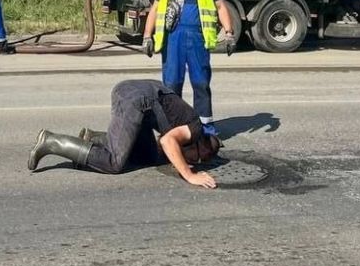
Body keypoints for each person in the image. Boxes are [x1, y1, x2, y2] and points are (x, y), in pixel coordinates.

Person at [27, 79, 221, 188]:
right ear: (200, 147)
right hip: (138, 101)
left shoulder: (187, 122)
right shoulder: (195, 128)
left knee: (148, 157)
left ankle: (92, 139)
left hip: (130, 90)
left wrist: (177, 160)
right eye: (198, 159)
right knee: (114, 163)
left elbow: (162, 142)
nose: (194, 162)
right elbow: (168, 141)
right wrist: (189, 174)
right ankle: (51, 141)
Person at [142, 0, 235, 137]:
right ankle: (172, 129)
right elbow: (156, 8)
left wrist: (229, 33)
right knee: (171, 86)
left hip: (197, 39)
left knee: (201, 83)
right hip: (172, 39)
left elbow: (220, 6)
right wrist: (147, 36)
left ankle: (206, 130)